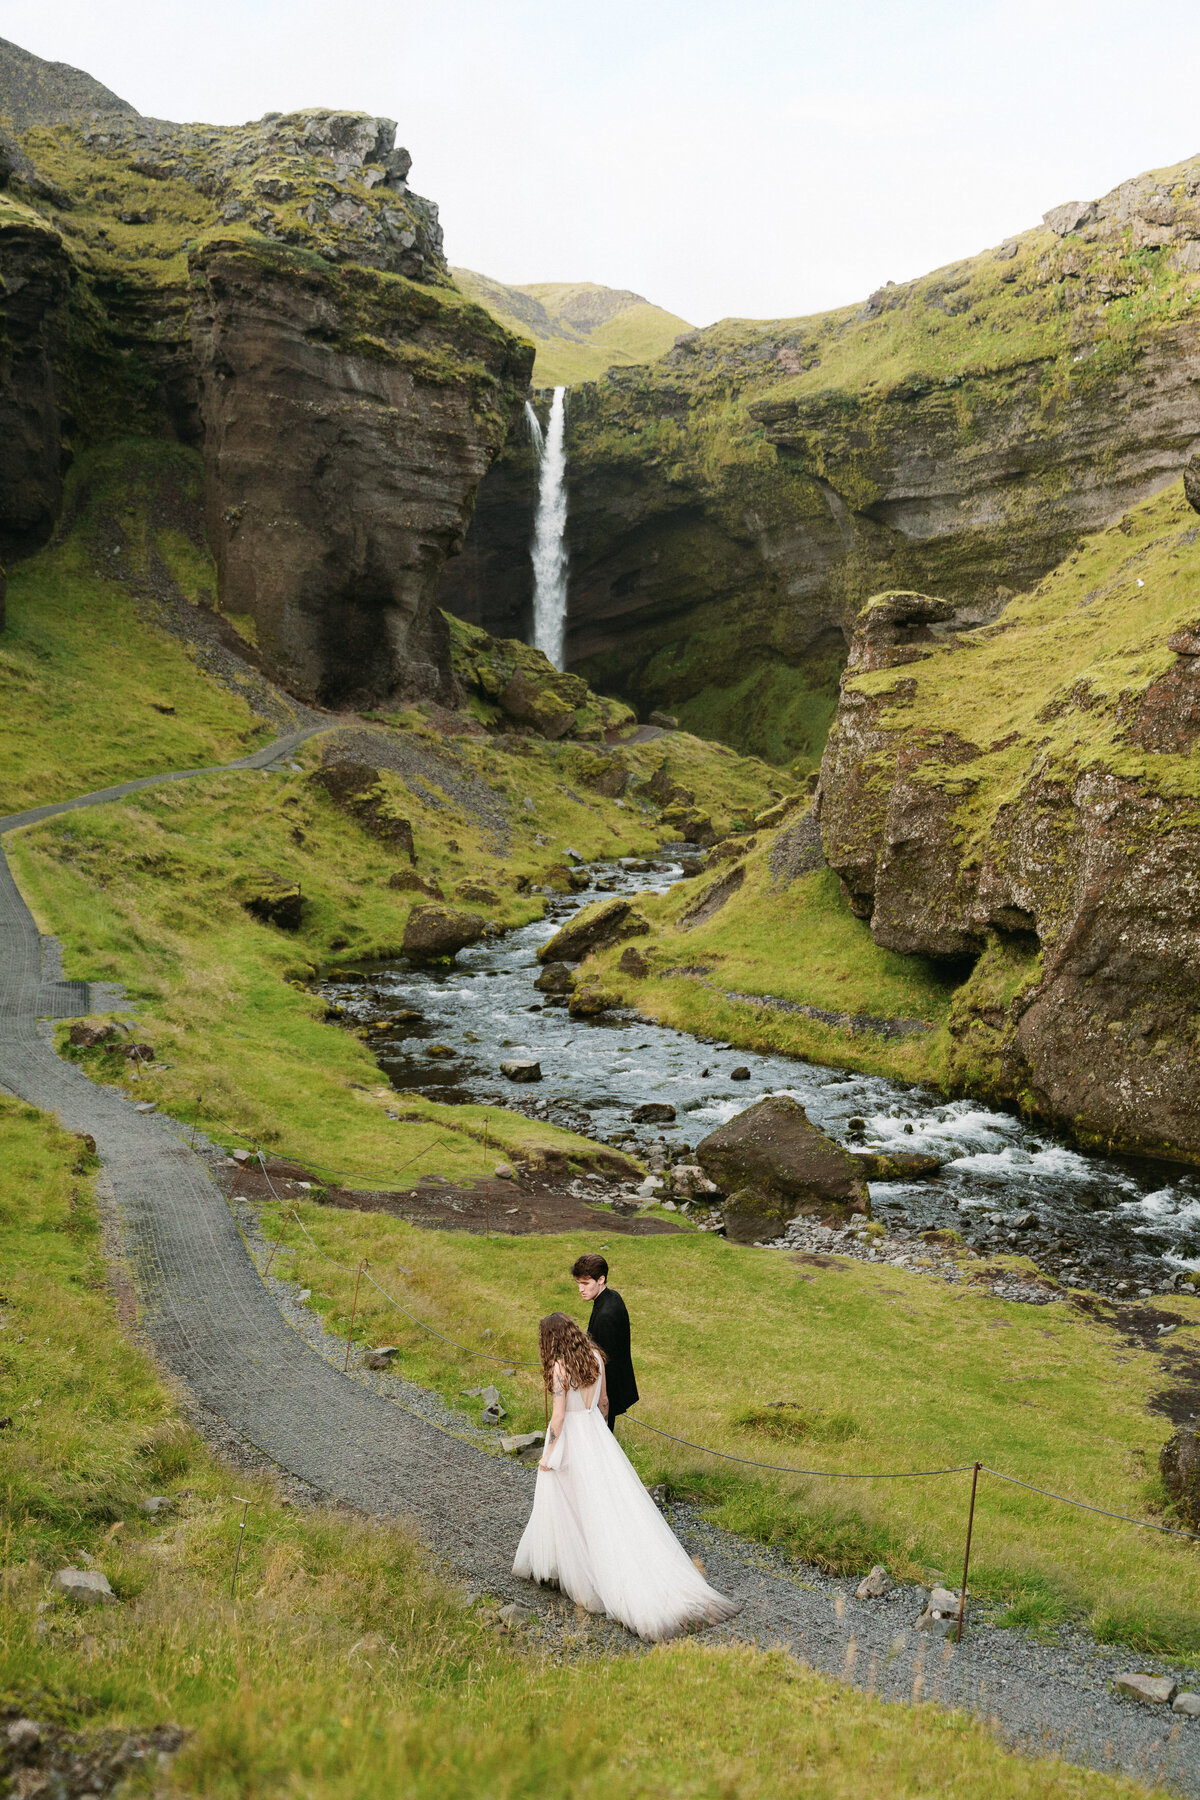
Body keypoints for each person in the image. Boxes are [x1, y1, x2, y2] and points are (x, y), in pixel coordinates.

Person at [512, 1312, 739, 1641]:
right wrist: (599, 1435)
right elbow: (604, 1402)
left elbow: (559, 1417)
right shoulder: (595, 1357)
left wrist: (549, 1452)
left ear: (552, 1339)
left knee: (573, 1508)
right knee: (607, 1505)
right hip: (596, 1435)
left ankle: (582, 1575)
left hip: (572, 1441)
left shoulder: (561, 1368)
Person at [572, 1252, 637, 1432]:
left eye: (585, 1283)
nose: (581, 1289)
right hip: (608, 1388)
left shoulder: (606, 1314)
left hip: (605, 1393)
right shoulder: (611, 1296)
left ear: (601, 1279)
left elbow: (604, 1363)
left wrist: (600, 1402)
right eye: (578, 1283)